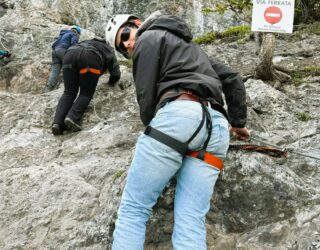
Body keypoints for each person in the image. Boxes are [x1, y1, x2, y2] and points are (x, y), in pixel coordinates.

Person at [105, 12, 250, 249]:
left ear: (137, 24)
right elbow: (232, 77)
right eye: (122, 47)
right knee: (191, 218)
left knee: (134, 209)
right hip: (217, 129)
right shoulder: (194, 50)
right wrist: (238, 123)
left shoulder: (148, 37)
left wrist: (156, 132)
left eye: (125, 34)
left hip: (179, 117)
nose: (129, 44)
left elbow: (146, 97)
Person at [51, 38, 121, 135]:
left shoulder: (86, 41)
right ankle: (72, 117)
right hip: (90, 57)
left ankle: (57, 123)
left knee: (69, 92)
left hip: (69, 55)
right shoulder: (108, 48)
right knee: (86, 93)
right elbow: (115, 72)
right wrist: (112, 82)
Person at [45, 25, 81, 92]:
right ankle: (72, 86)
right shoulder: (74, 34)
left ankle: (49, 88)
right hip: (63, 50)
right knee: (71, 66)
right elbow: (74, 44)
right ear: (77, 32)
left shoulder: (62, 35)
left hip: (55, 52)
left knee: (55, 71)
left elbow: (53, 45)